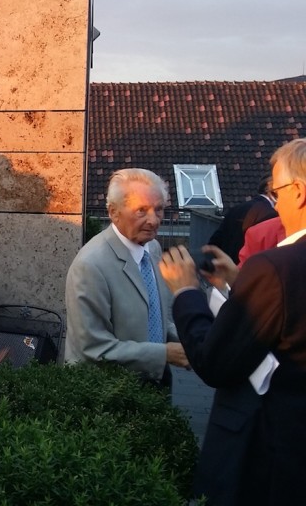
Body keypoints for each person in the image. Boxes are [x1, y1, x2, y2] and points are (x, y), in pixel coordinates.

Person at [159, 138, 306, 506]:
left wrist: (185, 292)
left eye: (278, 190)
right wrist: (242, 282)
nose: (275, 201)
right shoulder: (275, 271)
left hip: (270, 451)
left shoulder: (275, 266)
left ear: (300, 192)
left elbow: (215, 362)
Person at [64, 168, 188, 385]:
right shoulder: (90, 265)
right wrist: (164, 354)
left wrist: (192, 342)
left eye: (159, 210)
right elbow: (93, 349)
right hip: (108, 398)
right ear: (113, 212)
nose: (154, 220)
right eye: (141, 210)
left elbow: (157, 318)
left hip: (154, 385)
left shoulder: (153, 248)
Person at [208, 175, 277, 264]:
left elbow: (216, 240)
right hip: (249, 268)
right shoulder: (269, 214)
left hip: (227, 266)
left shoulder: (236, 208)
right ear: (269, 189)